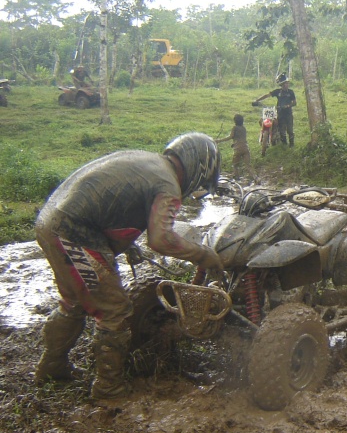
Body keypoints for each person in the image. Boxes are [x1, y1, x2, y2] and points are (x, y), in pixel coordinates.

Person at [35, 133, 224, 399]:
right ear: (198, 166)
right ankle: (108, 388)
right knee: (116, 311)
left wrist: (127, 242)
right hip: (74, 235)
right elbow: (161, 239)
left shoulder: (148, 161)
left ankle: (52, 366)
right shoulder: (167, 184)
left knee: (74, 303)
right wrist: (203, 255)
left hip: (50, 223)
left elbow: (113, 201)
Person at [252, 73, 296, 147]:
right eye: (285, 83)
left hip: (288, 113)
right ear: (281, 85)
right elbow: (267, 95)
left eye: (287, 83)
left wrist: (288, 105)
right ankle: (284, 144)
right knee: (282, 130)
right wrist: (257, 100)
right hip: (280, 113)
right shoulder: (277, 92)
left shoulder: (291, 92)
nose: (287, 85)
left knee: (290, 130)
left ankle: (292, 144)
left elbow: (294, 102)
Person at [215, 114, 252, 178]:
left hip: (238, 149)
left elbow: (230, 137)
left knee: (235, 165)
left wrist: (219, 140)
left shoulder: (234, 128)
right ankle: (256, 178)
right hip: (246, 148)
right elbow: (241, 138)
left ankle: (236, 177)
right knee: (248, 166)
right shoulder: (244, 128)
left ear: (235, 121)